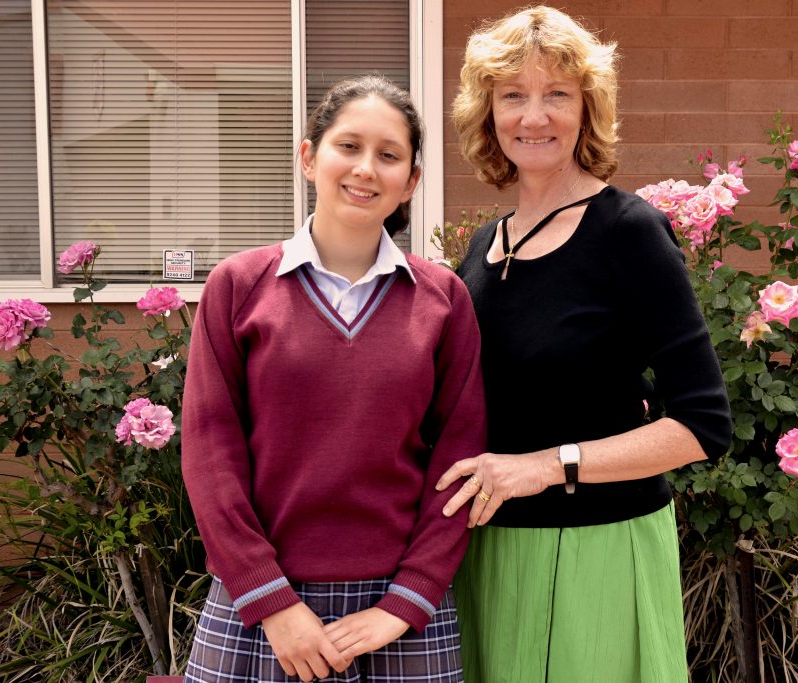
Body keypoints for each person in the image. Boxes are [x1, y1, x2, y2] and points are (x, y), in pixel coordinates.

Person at [436, 7, 733, 682]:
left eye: (556, 95)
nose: (533, 117)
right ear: (487, 112)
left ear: (587, 108)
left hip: (596, 551)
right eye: (513, 95)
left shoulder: (629, 233)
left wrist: (544, 466)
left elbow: (703, 423)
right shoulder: (486, 245)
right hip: (489, 553)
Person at [182, 75, 486, 683]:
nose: (366, 169)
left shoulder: (443, 300)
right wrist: (271, 601)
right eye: (348, 146)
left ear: (412, 182)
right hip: (259, 606)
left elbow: (460, 460)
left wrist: (406, 602)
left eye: (389, 155)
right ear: (308, 156)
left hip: (399, 617)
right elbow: (210, 451)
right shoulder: (238, 287)